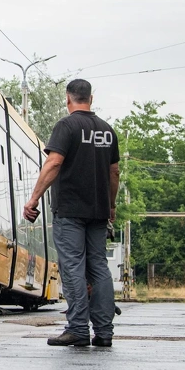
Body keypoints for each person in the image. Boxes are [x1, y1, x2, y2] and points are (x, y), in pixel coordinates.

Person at [23, 79, 120, 347]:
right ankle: (104, 332)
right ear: (92, 97)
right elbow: (114, 173)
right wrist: (111, 205)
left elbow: (54, 162)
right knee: (99, 267)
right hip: (99, 211)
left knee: (73, 266)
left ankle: (77, 328)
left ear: (68, 98)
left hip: (70, 210)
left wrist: (33, 199)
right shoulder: (107, 130)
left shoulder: (67, 126)